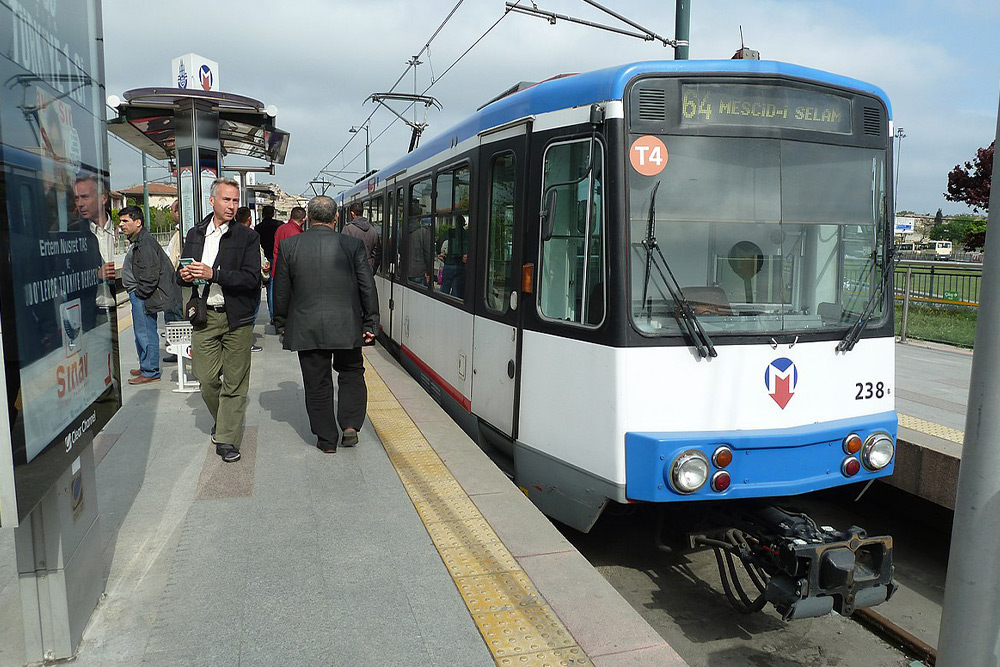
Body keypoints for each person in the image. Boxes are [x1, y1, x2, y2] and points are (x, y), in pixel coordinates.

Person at [273, 195, 378, 453]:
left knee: (316, 382)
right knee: (351, 373)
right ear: (336, 217)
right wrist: (370, 322)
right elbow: (367, 286)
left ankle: (327, 439)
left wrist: (281, 322)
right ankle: (350, 425)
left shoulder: (290, 246)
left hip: (306, 325)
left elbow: (281, 289)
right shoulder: (352, 245)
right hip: (347, 324)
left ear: (308, 217)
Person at [177, 178, 261, 463]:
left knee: (235, 382)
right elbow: (181, 271)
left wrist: (214, 274)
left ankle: (226, 438)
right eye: (226, 200)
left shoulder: (247, 237)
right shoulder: (195, 233)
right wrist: (183, 275)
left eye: (236, 200)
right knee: (206, 378)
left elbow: (251, 279)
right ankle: (224, 419)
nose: (232, 206)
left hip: (237, 317)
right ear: (212, 201)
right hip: (204, 316)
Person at [119, 205, 181, 385]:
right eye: (121, 221)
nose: (121, 225)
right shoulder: (139, 240)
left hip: (142, 296)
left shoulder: (144, 244)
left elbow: (150, 274)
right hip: (139, 294)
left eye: (125, 221)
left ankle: (150, 370)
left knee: (145, 332)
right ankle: (145, 365)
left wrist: (140, 294)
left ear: (138, 222)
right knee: (141, 333)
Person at [73, 175, 116, 310]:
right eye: (77, 198)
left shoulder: (122, 228)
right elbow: (66, 278)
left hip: (118, 309)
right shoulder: (74, 233)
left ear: (103, 198)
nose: (80, 204)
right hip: (92, 309)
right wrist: (96, 276)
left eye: (85, 197)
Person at [236, 205, 267, 352]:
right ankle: (246, 341)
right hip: (250, 280)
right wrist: (264, 266)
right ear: (249, 219)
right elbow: (256, 257)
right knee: (251, 312)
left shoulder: (230, 234)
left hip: (236, 279)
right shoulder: (252, 235)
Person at [271, 206, 306, 299]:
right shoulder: (297, 234)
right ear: (303, 219)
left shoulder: (280, 228)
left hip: (276, 270)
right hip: (288, 275)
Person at [255, 204, 281, 323]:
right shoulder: (279, 225)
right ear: (273, 213)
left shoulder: (258, 228)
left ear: (263, 214)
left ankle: (255, 316)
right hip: (275, 258)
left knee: (260, 287)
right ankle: (273, 316)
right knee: (272, 288)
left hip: (262, 259)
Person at [342, 201, 381, 273]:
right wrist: (372, 269)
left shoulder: (348, 229)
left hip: (352, 271)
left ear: (352, 214)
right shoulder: (373, 230)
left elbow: (342, 251)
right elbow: (377, 253)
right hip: (368, 270)